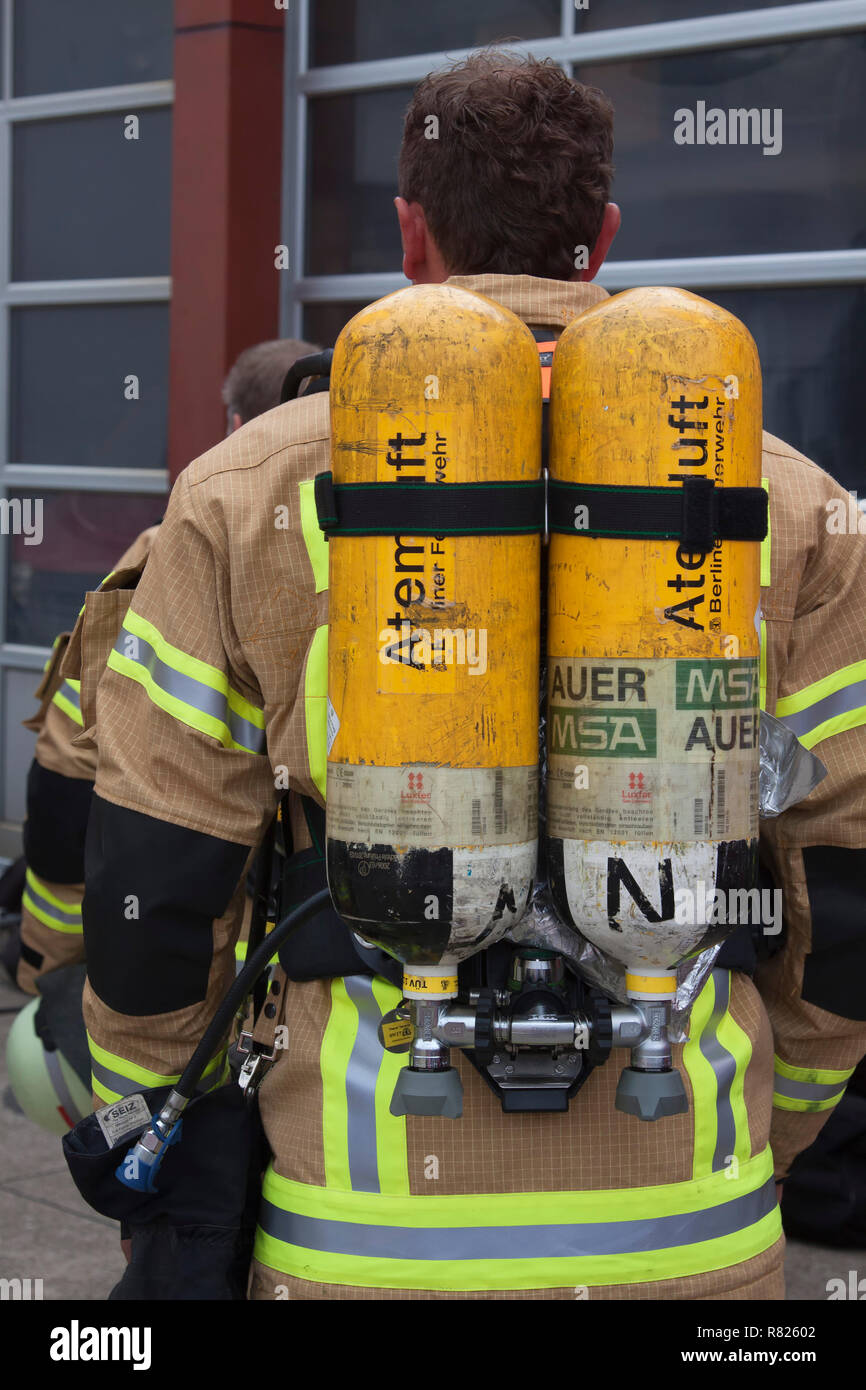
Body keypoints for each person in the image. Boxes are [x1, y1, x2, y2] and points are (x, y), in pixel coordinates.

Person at [76, 51, 866, 1300]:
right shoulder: (787, 500)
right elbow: (841, 876)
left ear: (408, 231)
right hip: (695, 1226)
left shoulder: (244, 488)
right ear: (601, 234)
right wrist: (776, 1122)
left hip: (359, 1232)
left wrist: (153, 1121)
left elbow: (156, 876)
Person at [14, 336, 317, 999]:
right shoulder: (405, 545)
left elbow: (70, 773)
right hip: (327, 972)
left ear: (235, 425)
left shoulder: (182, 545)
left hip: (207, 978)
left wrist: (48, 972)